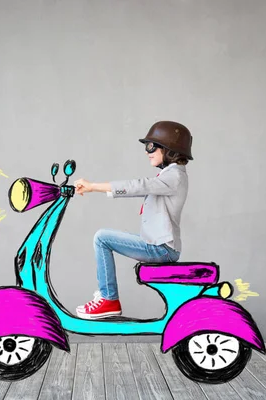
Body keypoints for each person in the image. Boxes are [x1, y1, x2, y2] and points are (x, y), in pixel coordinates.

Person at [73, 121, 193, 319]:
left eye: (152, 146)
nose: (148, 151)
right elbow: (141, 188)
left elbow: (138, 186)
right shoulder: (169, 176)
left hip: (161, 248)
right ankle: (107, 296)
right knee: (104, 237)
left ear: (170, 148)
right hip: (159, 245)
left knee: (102, 238)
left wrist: (93, 186)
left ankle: (108, 299)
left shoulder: (174, 177)